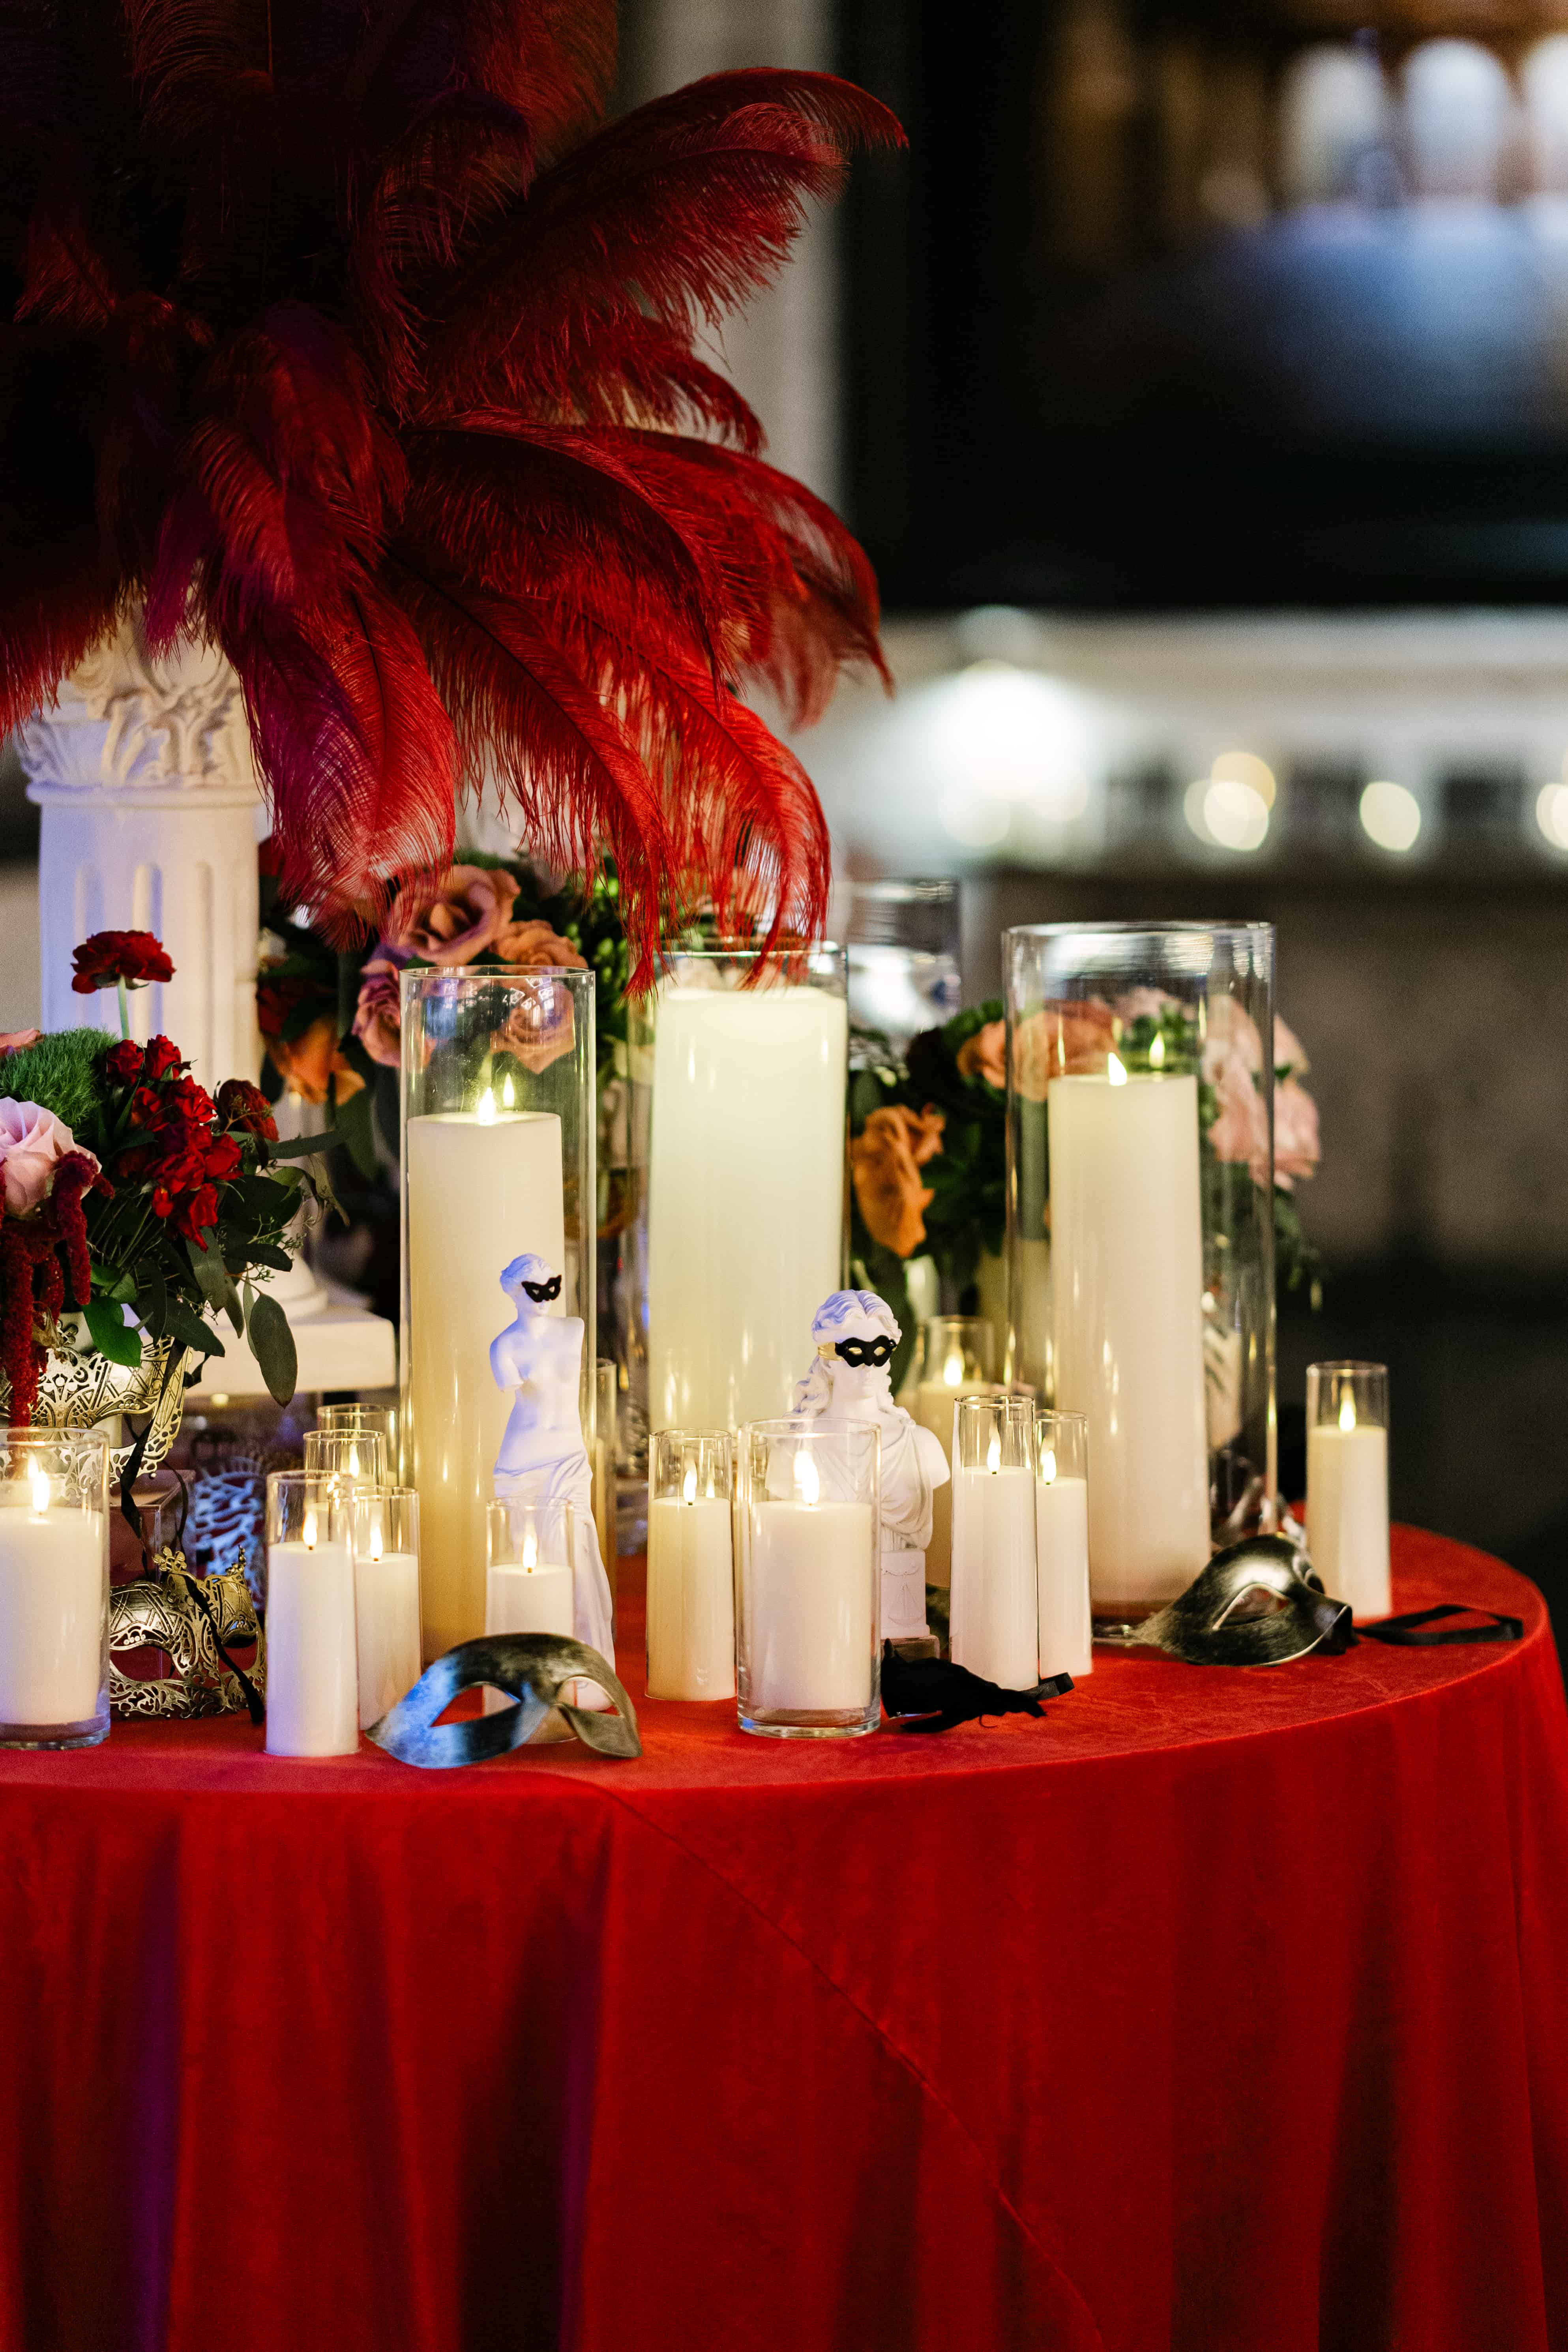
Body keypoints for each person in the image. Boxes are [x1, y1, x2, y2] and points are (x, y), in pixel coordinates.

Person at [793, 1289, 949, 1645]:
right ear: (828, 1359)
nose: (868, 1366)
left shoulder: (921, 1445)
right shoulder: (797, 1446)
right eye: (854, 1352)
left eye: (879, 1351)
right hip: (827, 1621)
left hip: (901, 1620)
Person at [490, 1252, 614, 1670]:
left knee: (578, 1548)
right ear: (514, 1292)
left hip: (569, 1456)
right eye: (534, 1289)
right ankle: (539, 1661)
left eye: (552, 1286)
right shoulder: (504, 1346)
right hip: (524, 1461)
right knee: (534, 1557)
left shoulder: (573, 1328)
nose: (544, 1297)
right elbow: (512, 1390)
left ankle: (585, 1664)